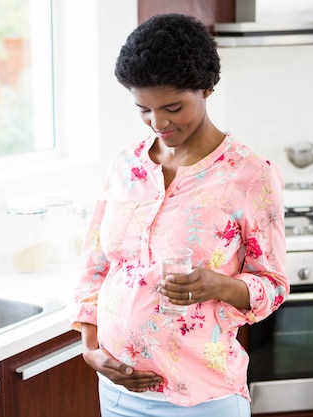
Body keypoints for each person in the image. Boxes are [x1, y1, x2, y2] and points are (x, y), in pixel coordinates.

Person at [71, 13, 289, 417]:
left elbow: (273, 285)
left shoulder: (249, 174)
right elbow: (96, 265)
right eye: (144, 109)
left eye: (173, 107)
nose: (159, 123)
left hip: (202, 398)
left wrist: (219, 285)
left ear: (206, 88)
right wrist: (90, 350)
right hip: (118, 391)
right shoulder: (125, 166)